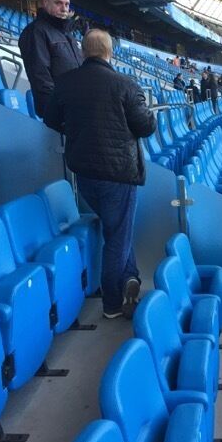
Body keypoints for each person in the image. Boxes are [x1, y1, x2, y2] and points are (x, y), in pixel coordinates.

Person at [47, 29, 154, 319]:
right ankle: (112, 303)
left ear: (83, 52)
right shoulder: (126, 85)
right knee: (117, 237)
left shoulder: (67, 83)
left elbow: (51, 118)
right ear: (109, 52)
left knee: (117, 229)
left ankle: (130, 276)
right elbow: (145, 127)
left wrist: (78, 131)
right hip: (118, 175)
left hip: (84, 176)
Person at [20, 0, 81, 123]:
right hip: (60, 114)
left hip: (76, 109)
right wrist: (60, 111)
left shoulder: (67, 34)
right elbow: (41, 78)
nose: (64, 9)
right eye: (58, 3)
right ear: (45, 2)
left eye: (67, 4)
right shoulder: (36, 32)